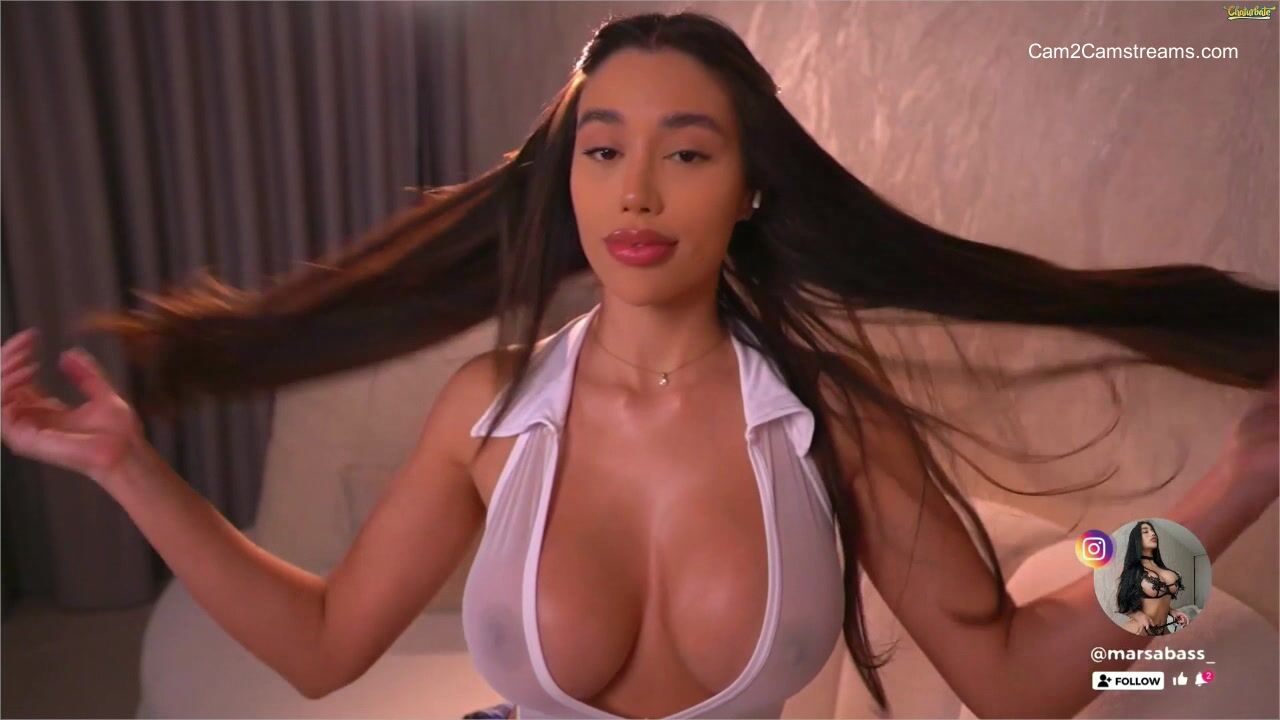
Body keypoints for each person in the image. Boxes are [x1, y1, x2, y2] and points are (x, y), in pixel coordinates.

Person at [1, 10, 1277, 720]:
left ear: (750, 187)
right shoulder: (489, 410)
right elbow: (326, 646)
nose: (638, 190)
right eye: (604, 149)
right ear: (569, 179)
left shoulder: (828, 426)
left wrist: (1234, 487)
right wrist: (123, 466)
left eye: (688, 151)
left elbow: (1015, 681)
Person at [1116, 521, 1191, 637]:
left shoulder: (1162, 568)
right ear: (1137, 539)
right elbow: (1122, 604)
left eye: (1153, 531)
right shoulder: (1133, 569)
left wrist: (1172, 611)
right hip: (1140, 630)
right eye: (1145, 531)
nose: (1152, 534)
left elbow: (1158, 601)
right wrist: (1139, 616)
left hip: (1164, 630)